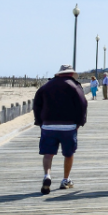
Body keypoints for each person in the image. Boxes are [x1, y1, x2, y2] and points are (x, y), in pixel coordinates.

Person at [33, 64, 88, 194]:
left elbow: (37, 104)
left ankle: (47, 175)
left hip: (48, 125)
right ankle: (65, 179)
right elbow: (82, 104)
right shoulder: (74, 86)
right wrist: (80, 122)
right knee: (68, 153)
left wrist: (40, 122)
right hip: (69, 126)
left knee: (48, 153)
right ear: (71, 74)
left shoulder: (46, 86)